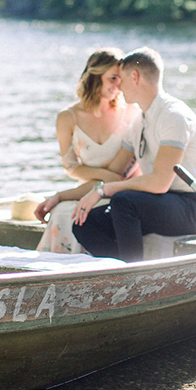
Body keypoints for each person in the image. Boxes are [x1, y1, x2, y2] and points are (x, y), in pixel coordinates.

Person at [71, 46, 196, 262]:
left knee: (124, 201)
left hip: (191, 208)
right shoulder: (138, 122)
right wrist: (63, 197)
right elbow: (113, 173)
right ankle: (119, 268)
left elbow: (159, 183)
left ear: (134, 77)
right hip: (157, 203)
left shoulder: (174, 116)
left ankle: (132, 273)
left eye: (121, 80)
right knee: (85, 222)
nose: (118, 87)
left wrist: (102, 191)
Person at [35, 47, 140, 253]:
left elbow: (125, 173)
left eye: (121, 79)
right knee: (64, 212)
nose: (118, 84)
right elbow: (71, 167)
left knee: (83, 213)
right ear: (95, 76)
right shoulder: (68, 117)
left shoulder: (131, 112)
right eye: (113, 78)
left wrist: (110, 180)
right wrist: (105, 175)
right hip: (88, 188)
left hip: (123, 190)